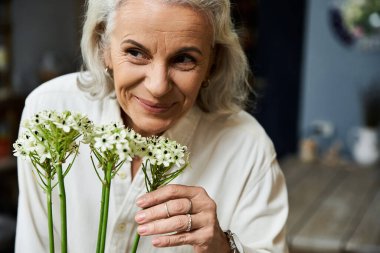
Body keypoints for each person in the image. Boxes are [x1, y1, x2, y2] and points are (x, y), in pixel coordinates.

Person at [15, 0, 289, 252]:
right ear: (104, 47)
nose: (158, 87)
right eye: (136, 53)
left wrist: (221, 246)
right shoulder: (51, 110)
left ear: (212, 62)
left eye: (184, 59)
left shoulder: (248, 147)